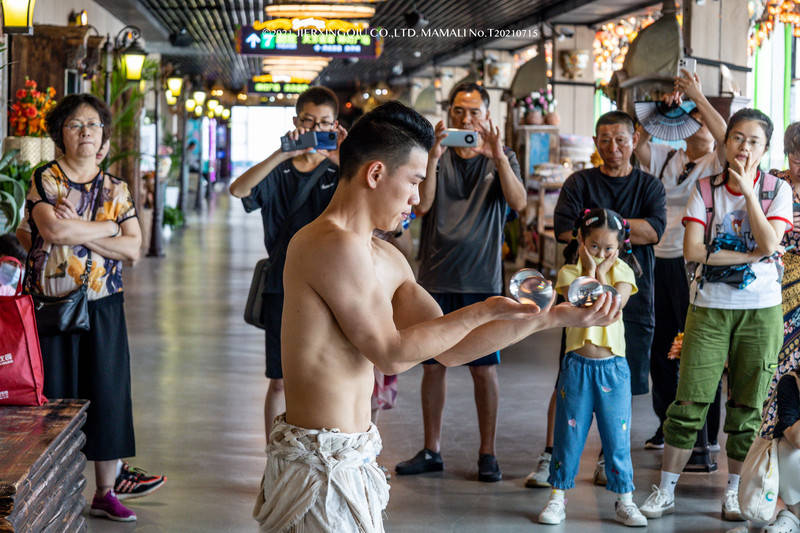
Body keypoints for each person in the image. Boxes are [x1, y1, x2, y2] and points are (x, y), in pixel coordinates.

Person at [252, 101, 623, 532]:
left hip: (353, 458)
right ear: (375, 174)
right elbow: (390, 355)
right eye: (413, 181)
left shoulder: (386, 256)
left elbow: (452, 350)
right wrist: (484, 309)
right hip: (319, 469)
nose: (416, 198)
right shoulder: (326, 244)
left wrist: (552, 318)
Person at [640, 108, 792, 522]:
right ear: (726, 144)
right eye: (737, 138)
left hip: (761, 313)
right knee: (689, 400)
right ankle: (665, 490)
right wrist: (750, 254)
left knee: (747, 406)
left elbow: (771, 243)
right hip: (708, 310)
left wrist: (746, 195)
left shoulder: (777, 190)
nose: (744, 147)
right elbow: (692, 251)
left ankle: (733, 493)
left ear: (765, 148)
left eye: (753, 141)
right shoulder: (704, 190)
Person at [526, 111, 666, 488]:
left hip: (633, 295)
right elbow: (562, 229)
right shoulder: (578, 181)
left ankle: (609, 458)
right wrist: (620, 226)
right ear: (595, 141)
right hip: (581, 296)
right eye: (604, 139)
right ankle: (550, 455)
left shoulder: (649, 186)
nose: (613, 148)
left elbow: (653, 230)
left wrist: (597, 221)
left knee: (622, 380)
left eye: (620, 139)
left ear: (634, 139)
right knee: (567, 373)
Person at [395, 82, 526, 482]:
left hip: (482, 282)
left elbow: (519, 204)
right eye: (458, 112)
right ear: (448, 115)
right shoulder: (433, 157)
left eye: (473, 112)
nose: (465, 120)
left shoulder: (504, 159)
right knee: (433, 367)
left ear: (488, 117)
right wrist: (433, 156)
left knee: (483, 370)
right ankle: (431, 449)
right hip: (435, 279)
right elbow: (426, 204)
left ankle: (488, 453)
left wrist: (499, 158)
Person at [24, 94, 142, 521]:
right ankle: (47, 487)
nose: (86, 132)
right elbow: (53, 229)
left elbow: (133, 249)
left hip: (104, 305)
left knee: (108, 395)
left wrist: (86, 233)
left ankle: (105, 492)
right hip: (54, 305)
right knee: (54, 396)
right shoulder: (46, 179)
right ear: (61, 135)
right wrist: (109, 226)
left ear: (104, 135)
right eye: (75, 125)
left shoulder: (117, 188)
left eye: (93, 125)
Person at [229, 86, 346, 443]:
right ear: (296, 122)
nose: (315, 128)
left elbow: (369, 197)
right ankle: (274, 456)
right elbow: (239, 190)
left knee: (328, 373)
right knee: (279, 377)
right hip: (282, 284)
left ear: (335, 125)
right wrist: (282, 153)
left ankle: (322, 449)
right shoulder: (278, 171)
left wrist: (341, 156)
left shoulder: (339, 170)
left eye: (324, 123)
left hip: (332, 286)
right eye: (308, 121)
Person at [634, 70, 728, 450]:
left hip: (693, 265)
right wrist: (663, 108)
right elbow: (635, 139)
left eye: (702, 121)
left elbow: (725, 135)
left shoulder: (715, 164)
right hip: (656, 261)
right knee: (659, 348)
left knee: (693, 345)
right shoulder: (664, 157)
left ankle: (705, 433)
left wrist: (699, 99)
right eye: (692, 120)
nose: (699, 127)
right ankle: (667, 424)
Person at [538, 208, 647, 527]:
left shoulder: (624, 273)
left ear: (620, 247)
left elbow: (610, 305)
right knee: (567, 435)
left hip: (613, 369)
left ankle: (625, 499)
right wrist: (589, 269)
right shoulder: (569, 274)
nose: (601, 253)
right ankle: (557, 498)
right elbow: (585, 301)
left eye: (608, 248)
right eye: (594, 246)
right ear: (581, 241)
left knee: (617, 437)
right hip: (576, 368)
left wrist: (600, 271)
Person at [761, 122, 800, 441]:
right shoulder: (775, 182)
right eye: (796, 158)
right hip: (774, 274)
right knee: (771, 355)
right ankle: (769, 431)